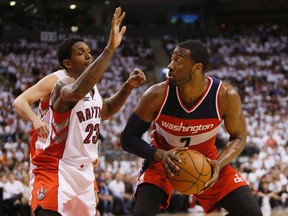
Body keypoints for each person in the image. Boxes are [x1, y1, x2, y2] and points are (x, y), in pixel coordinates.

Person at [14, 7, 146, 216]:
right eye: (80, 53)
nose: (88, 56)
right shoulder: (59, 81)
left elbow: (107, 110)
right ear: (67, 63)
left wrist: (127, 86)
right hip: (55, 165)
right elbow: (20, 101)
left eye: (88, 51)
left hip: (84, 169)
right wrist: (35, 119)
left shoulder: (92, 87)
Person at [121, 40, 263, 216]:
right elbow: (128, 138)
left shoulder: (225, 95)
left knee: (252, 213)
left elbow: (239, 137)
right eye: (171, 59)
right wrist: (159, 154)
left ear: (197, 68)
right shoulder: (156, 94)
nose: (170, 66)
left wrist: (219, 163)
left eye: (178, 61)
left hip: (207, 162)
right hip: (162, 161)